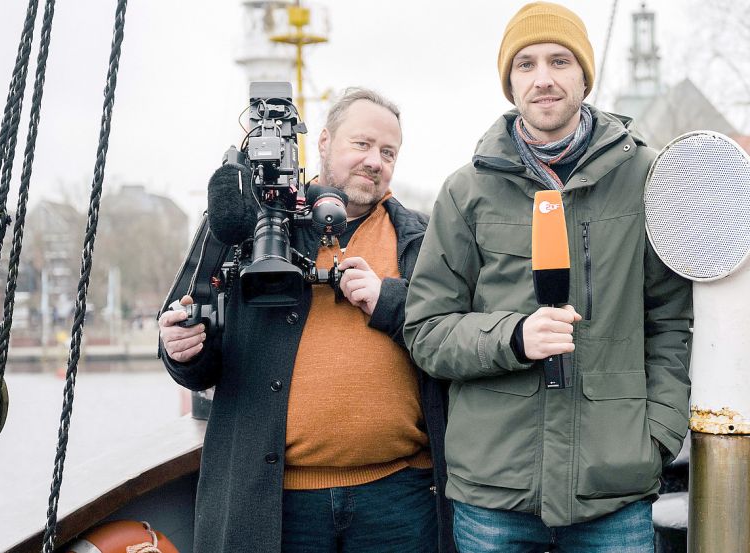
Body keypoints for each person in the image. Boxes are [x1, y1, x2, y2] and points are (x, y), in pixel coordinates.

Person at [403, 3, 693, 552]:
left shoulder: (648, 178)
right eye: (526, 64)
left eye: (560, 61)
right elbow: (427, 331)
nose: (543, 79)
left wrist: (655, 436)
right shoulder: (466, 193)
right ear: (509, 82)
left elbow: (671, 321)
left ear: (585, 74)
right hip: (495, 493)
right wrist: (514, 337)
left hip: (614, 489)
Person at [160, 88, 453, 553]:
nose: (375, 161)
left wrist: (389, 299)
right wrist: (182, 349)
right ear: (323, 143)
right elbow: (190, 339)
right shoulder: (244, 222)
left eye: (388, 152)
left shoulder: (421, 235)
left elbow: (452, 333)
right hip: (273, 501)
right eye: (362, 145)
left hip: (398, 497)